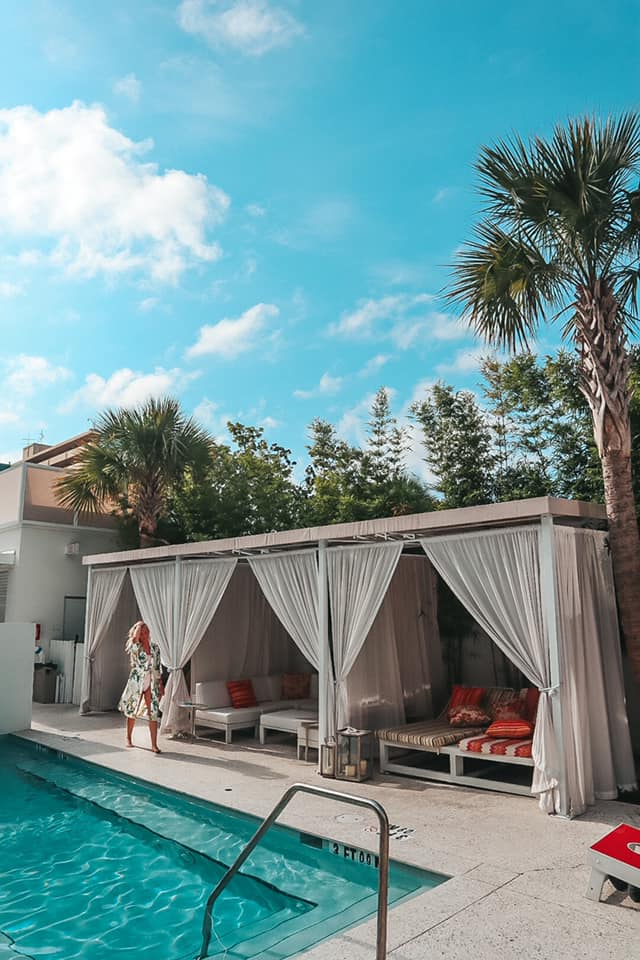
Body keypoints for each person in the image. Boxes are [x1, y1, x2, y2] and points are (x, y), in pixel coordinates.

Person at [118, 621, 164, 753]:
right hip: (137, 681)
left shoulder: (155, 647)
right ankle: (128, 738)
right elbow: (134, 639)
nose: (144, 634)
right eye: (142, 633)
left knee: (153, 713)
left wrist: (161, 684)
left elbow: (157, 667)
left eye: (146, 632)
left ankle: (154, 745)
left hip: (151, 682)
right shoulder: (136, 646)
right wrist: (139, 625)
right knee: (132, 710)